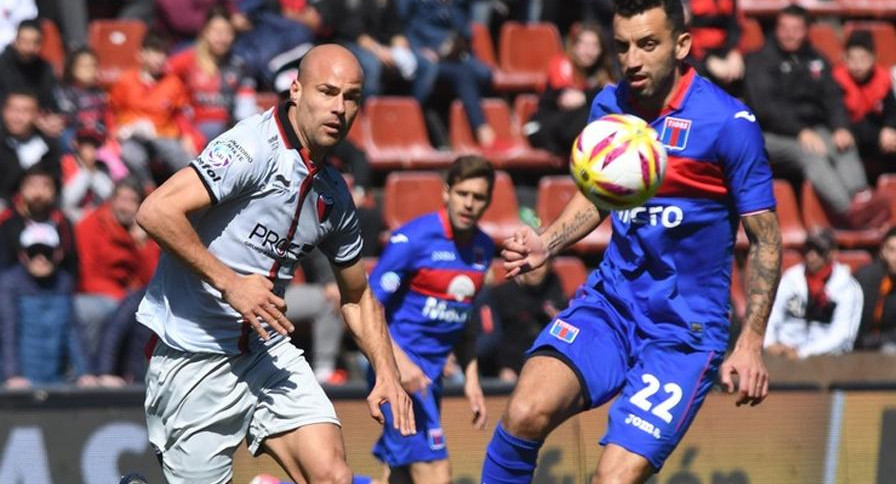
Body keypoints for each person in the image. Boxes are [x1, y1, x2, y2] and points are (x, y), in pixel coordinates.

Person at [479, 0, 782, 483]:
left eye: (647, 44)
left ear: (682, 45)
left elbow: (765, 240)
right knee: (524, 412)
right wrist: (547, 243)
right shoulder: (608, 105)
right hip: (612, 305)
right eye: (622, 47)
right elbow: (598, 197)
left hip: (683, 334)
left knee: (613, 480)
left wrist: (751, 341)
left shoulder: (728, 123)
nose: (632, 60)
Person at [134, 44, 414, 484]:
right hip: (193, 354)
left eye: (352, 97)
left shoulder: (335, 194)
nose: (339, 108)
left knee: (333, 477)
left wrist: (387, 373)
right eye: (328, 92)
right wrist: (231, 283)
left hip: (266, 351)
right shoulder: (251, 148)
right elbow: (155, 211)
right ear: (297, 90)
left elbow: (357, 295)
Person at [365, 155, 494, 484]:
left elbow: (464, 317)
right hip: (397, 373)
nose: (469, 204)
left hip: (431, 377)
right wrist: (400, 364)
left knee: (400, 478)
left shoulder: (483, 248)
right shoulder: (414, 238)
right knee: (436, 474)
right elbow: (369, 307)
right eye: (463, 193)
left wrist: (472, 377)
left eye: (478, 197)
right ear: (447, 192)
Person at [744, 5, 883, 229]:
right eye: (784, 28)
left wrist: (840, 127)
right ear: (776, 29)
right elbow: (766, 109)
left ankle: (862, 198)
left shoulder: (817, 59)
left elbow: (833, 97)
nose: (789, 34)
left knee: (841, 142)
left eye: (796, 29)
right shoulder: (760, 60)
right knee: (811, 153)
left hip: (813, 130)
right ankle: (849, 212)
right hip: (769, 134)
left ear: (807, 30)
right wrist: (800, 132)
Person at [0, 222, 95, 388]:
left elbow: (73, 331)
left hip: (55, 381)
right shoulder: (9, 283)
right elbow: (8, 331)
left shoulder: (64, 282)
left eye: (47, 252)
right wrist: (12, 375)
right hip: (18, 382)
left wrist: (85, 372)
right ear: (23, 255)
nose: (41, 259)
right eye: (33, 252)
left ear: (58, 254)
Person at [75, 178, 159, 353]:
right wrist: (121, 298)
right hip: (97, 295)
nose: (125, 207)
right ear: (112, 200)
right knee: (94, 312)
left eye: (132, 201)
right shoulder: (91, 225)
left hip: (129, 298)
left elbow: (151, 280)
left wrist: (142, 245)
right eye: (121, 199)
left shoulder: (142, 233)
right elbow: (86, 275)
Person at [110, 32, 197, 188]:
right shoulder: (126, 80)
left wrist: (187, 136)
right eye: (155, 52)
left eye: (163, 53)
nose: (160, 58)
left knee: (186, 159)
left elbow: (180, 114)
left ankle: (189, 192)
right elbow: (112, 110)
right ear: (141, 54)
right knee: (130, 155)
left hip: (163, 135)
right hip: (133, 135)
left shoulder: (173, 83)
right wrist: (114, 131)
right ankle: (148, 189)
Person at [764, 230, 862, 359]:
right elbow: (771, 315)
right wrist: (769, 343)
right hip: (783, 353)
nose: (811, 255)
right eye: (808, 249)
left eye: (819, 251)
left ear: (832, 254)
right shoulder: (791, 279)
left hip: (828, 358)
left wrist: (802, 353)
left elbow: (843, 334)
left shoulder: (847, 286)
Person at [527, 21, 618, 157]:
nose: (588, 50)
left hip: (571, 135)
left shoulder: (602, 73)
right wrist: (599, 93)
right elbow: (569, 100)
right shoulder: (562, 64)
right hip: (543, 128)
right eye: (584, 44)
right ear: (574, 46)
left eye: (595, 46)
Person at [167, 6, 258, 141]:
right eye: (216, 31)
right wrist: (186, 132)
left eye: (228, 32)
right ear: (205, 32)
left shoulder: (239, 64)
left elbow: (245, 106)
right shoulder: (186, 60)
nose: (222, 38)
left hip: (227, 131)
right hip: (192, 130)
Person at [831, 30, 896, 179]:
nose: (857, 65)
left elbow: (891, 111)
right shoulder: (836, 80)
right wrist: (879, 134)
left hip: (879, 138)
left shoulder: (883, 79)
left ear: (874, 58)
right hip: (850, 137)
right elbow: (838, 116)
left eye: (863, 59)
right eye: (852, 59)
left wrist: (890, 129)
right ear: (844, 59)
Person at [0, 164, 78, 278]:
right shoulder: (8, 224)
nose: (38, 192)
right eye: (32, 185)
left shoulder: (63, 224)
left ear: (54, 192)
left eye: (45, 186)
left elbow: (71, 266)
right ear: (21, 191)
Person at [0, 89, 62, 205]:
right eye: (12, 109)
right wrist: (24, 163)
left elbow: (55, 186)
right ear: (4, 111)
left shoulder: (47, 145)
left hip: (38, 208)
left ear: (37, 115)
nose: (17, 117)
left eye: (25, 111)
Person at [853, 227, 896, 352]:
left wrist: (869, 342)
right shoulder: (864, 277)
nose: (895, 257)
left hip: (887, 346)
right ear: (883, 251)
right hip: (857, 345)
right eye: (891, 250)